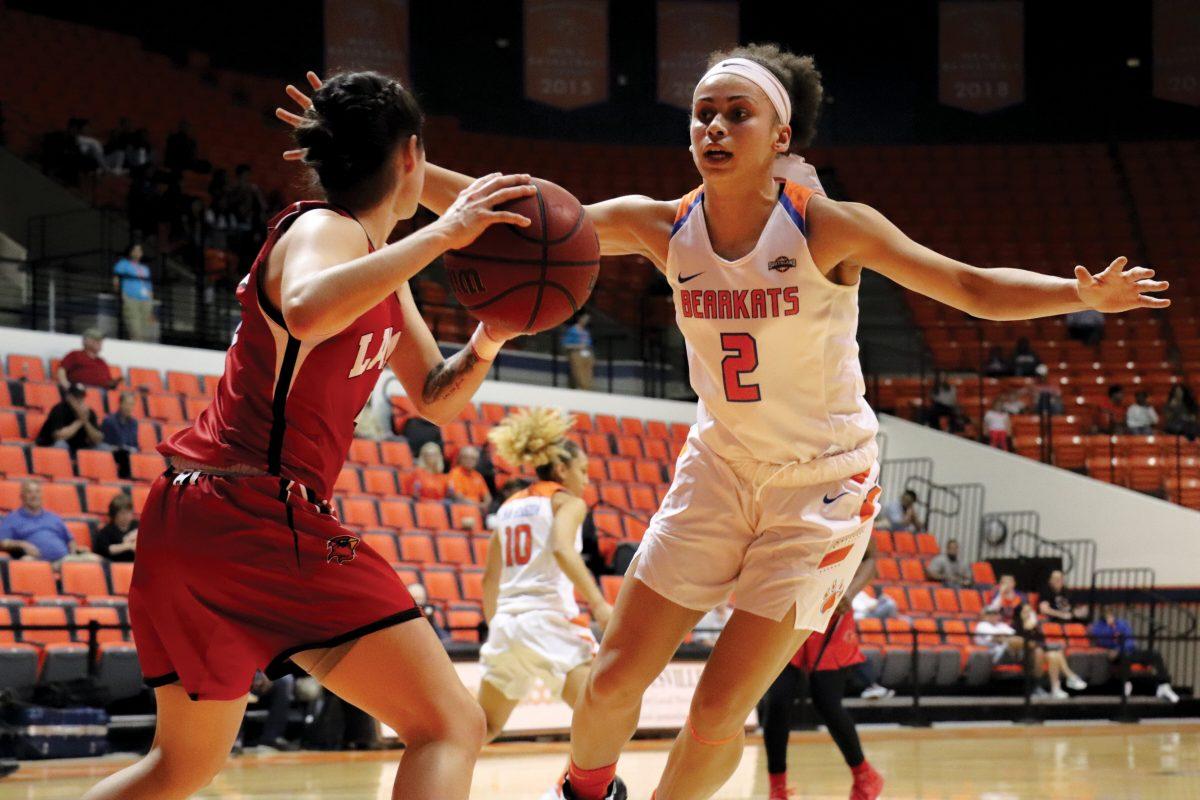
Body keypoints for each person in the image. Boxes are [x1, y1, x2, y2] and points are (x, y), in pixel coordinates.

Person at [283, 46, 1168, 798]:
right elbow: (517, 220)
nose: (711, 127)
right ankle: (587, 790)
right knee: (612, 680)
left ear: (780, 135)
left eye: (734, 113)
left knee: (715, 710)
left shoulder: (830, 228)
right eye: (702, 113)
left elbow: (969, 286)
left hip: (822, 488)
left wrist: (1076, 293)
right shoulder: (662, 226)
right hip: (719, 469)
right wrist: (386, 158)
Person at [82, 70, 535, 800]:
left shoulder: (378, 269)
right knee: (450, 724)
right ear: (413, 157)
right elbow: (305, 309)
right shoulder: (327, 228)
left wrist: (486, 343)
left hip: (195, 516)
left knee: (180, 765)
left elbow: (432, 398)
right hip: (256, 509)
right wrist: (448, 232)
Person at [478, 408, 613, 743]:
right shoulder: (567, 502)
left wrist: (499, 625)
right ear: (562, 468)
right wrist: (599, 604)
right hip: (548, 622)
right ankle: (570, 792)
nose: (586, 480)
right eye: (582, 471)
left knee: (484, 728)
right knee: (604, 719)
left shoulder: (508, 506)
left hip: (506, 626)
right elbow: (561, 549)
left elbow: (489, 579)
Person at [760, 537, 885, 800]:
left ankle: (865, 776)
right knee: (778, 701)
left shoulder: (852, 500)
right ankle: (778, 789)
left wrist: (849, 593)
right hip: (789, 604)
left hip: (831, 609)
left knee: (826, 702)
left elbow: (870, 559)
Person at [1089, 608, 1179, 703]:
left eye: (1110, 612)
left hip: (1128, 650)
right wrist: (1110, 627)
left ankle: (1164, 685)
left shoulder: (1122, 623)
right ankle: (1126, 685)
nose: (1109, 615)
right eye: (1106, 613)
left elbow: (1129, 640)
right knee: (1125, 656)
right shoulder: (1098, 627)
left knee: (1154, 654)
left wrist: (1118, 642)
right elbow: (1102, 640)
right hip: (1116, 655)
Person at [1012, 603, 1087, 699]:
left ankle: (1055, 689)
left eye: (1030, 611)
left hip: (1041, 654)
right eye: (1025, 612)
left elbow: (1041, 643)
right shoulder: (1015, 626)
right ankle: (1070, 676)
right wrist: (1028, 630)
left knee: (1054, 655)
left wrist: (1032, 630)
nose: (1028, 614)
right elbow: (1021, 644)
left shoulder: (1035, 627)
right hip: (1024, 658)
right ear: (1019, 614)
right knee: (1042, 651)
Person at [0, 480, 87, 562]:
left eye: (37, 492)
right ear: (22, 496)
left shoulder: (53, 517)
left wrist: (73, 554)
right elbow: (2, 542)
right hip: (36, 562)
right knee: (27, 561)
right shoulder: (12, 519)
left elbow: (70, 540)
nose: (34, 495)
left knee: (94, 559)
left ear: (41, 495)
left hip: (64, 560)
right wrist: (22, 544)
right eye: (29, 492)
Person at [36, 383, 104, 454]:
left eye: (82, 397)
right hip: (50, 445)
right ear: (69, 397)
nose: (79, 400)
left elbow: (98, 438)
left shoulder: (89, 412)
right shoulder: (59, 409)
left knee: (102, 448)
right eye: (76, 397)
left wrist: (86, 422)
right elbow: (59, 436)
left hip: (78, 447)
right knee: (61, 445)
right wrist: (80, 421)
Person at [113, 243, 156, 342]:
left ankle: (141, 347)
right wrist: (118, 294)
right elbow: (116, 279)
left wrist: (152, 306)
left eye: (140, 250)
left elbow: (149, 287)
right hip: (130, 298)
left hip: (146, 300)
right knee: (134, 327)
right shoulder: (123, 264)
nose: (138, 252)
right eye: (135, 250)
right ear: (130, 252)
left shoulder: (145, 268)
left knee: (145, 328)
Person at [101, 391, 140, 479]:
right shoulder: (109, 421)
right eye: (128, 404)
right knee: (123, 454)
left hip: (129, 454)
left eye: (132, 404)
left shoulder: (134, 423)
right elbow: (104, 443)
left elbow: (134, 444)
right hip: (113, 454)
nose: (130, 407)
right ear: (121, 404)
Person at [92, 494, 138, 562]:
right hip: (115, 564)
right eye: (123, 513)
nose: (126, 516)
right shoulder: (106, 532)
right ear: (114, 515)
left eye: (129, 512)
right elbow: (106, 549)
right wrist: (128, 546)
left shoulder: (137, 525)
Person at [561, 311, 595, 390]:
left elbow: (589, 344)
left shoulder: (586, 332)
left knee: (589, 370)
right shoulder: (572, 330)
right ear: (580, 319)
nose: (586, 321)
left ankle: (587, 387)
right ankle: (582, 386)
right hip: (576, 352)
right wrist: (578, 346)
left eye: (587, 319)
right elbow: (566, 344)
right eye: (585, 318)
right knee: (579, 371)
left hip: (586, 353)